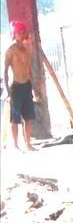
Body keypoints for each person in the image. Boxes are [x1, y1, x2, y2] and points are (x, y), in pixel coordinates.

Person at [3, 20, 38, 152]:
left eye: (23, 32)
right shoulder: (10, 51)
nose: (22, 35)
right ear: (14, 34)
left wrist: (33, 87)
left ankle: (28, 144)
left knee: (28, 118)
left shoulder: (26, 50)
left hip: (26, 86)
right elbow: (5, 71)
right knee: (15, 119)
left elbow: (29, 70)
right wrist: (7, 91)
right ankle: (16, 145)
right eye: (19, 33)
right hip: (15, 87)